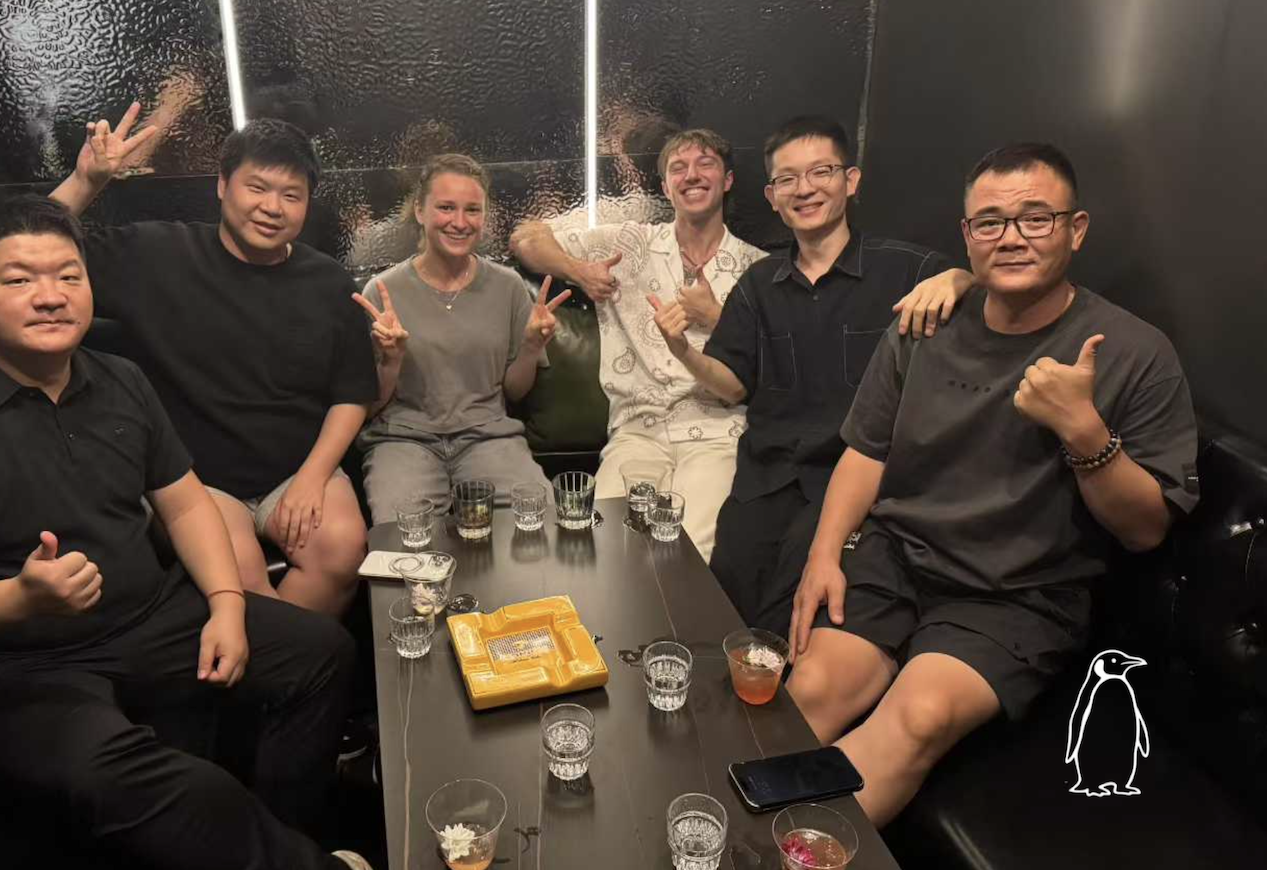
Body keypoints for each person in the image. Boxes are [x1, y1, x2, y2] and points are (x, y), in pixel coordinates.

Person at [0, 196, 382, 870]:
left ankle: (272, 854)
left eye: (68, 276)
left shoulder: (121, 380)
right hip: (14, 667)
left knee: (320, 652)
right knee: (118, 772)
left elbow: (185, 502)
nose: (50, 296)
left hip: (149, 618)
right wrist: (15, 598)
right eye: (19, 279)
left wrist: (226, 604)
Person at [783, 144, 1198, 827]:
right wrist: (823, 557)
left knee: (918, 716)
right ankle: (719, 842)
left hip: (1019, 594)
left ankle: (788, 862)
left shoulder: (1135, 352)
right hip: (897, 556)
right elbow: (867, 449)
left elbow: (1146, 529)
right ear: (967, 234)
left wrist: (1084, 432)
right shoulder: (926, 319)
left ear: (1076, 229)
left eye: (1036, 218)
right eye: (990, 222)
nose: (1011, 238)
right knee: (813, 688)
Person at [649, 116, 973, 626]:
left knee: (787, 607)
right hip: (767, 477)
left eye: (821, 172)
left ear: (851, 180)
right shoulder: (758, 284)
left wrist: (958, 279)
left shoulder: (904, 268)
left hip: (854, 478)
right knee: (722, 597)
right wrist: (683, 351)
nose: (804, 189)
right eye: (787, 179)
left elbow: (985, 287)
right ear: (772, 197)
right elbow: (732, 385)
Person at [51, 111, 376, 614]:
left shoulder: (328, 282)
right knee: (238, 577)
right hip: (196, 480)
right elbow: (30, 245)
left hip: (298, 470)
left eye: (291, 195)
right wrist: (85, 180)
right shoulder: (156, 255)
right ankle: (299, 655)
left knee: (341, 549)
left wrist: (313, 478)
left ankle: (291, 654)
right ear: (223, 185)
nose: (272, 208)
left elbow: (352, 394)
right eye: (257, 188)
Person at [509, 128, 767, 560]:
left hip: (715, 434)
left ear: (727, 180)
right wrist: (579, 270)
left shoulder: (757, 268)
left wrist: (716, 317)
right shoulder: (629, 243)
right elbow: (525, 238)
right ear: (665, 187)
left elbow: (770, 362)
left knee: (692, 550)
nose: (691, 175)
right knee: (606, 546)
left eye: (705, 164)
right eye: (678, 168)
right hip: (637, 430)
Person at [355, 154, 565, 525]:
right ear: (420, 211)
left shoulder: (508, 287)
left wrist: (532, 347)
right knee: (403, 539)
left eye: (472, 210)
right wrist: (391, 360)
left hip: (488, 437)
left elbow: (514, 392)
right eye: (446, 207)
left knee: (540, 523)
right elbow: (368, 408)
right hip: (404, 440)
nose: (460, 222)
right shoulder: (382, 291)